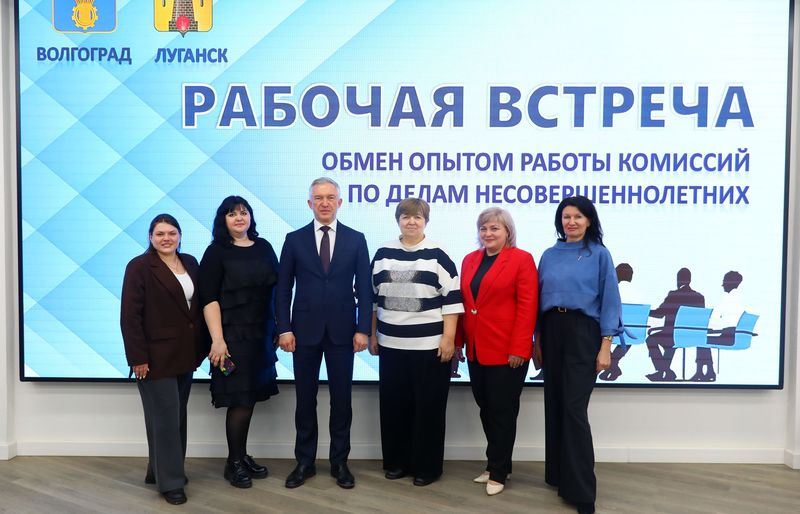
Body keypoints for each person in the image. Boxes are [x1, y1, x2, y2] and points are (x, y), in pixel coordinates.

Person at [276, 177, 372, 489]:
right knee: (305, 400)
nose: (325, 203)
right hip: (303, 333)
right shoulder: (294, 240)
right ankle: (304, 462)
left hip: (344, 333)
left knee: (342, 400)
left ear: (340, 202)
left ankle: (339, 462)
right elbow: (282, 289)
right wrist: (284, 328)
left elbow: (365, 290)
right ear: (310, 203)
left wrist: (363, 330)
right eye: (319, 198)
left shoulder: (356, 239)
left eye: (330, 197)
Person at [536, 195, 623, 514]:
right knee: (555, 404)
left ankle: (583, 492)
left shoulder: (599, 254)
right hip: (551, 330)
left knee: (574, 409)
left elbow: (611, 301)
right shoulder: (549, 255)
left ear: (589, 221)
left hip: (583, 332)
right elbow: (538, 298)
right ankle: (559, 476)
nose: (571, 222)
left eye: (578, 217)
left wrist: (606, 345)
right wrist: (537, 340)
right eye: (566, 217)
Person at [369, 198, 463, 486]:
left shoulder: (438, 255)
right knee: (394, 408)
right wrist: (373, 335)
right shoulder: (382, 254)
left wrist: (449, 339)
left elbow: (452, 301)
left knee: (428, 410)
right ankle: (397, 463)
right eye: (406, 216)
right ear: (398, 220)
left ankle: (426, 468)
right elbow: (372, 300)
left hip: (429, 348)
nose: (411, 221)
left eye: (417, 217)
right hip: (391, 347)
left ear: (426, 221)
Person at [121, 214, 208, 505]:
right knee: (166, 418)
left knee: (174, 416)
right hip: (154, 358)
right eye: (160, 234)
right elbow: (129, 317)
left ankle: (159, 470)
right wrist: (137, 358)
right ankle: (171, 482)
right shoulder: (139, 266)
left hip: (185, 353)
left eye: (171, 233)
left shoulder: (190, 262)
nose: (166, 238)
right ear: (150, 237)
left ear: (180, 235)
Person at [199, 196, 280, 488]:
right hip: (231, 338)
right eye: (232, 214)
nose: (239, 218)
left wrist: (279, 327)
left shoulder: (264, 247)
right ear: (223, 219)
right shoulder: (216, 252)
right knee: (239, 399)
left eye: (244, 212)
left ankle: (241, 456)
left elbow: (278, 290)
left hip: (261, 336)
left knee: (251, 396)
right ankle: (233, 462)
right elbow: (208, 299)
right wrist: (217, 340)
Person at [457, 207, 537, 496]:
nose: (488, 233)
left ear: (507, 231)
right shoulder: (470, 259)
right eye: (484, 228)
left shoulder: (521, 259)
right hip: (477, 348)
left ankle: (499, 472)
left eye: (494, 228)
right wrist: (459, 342)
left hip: (507, 351)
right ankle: (496, 464)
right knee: (486, 408)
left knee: (502, 412)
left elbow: (528, 307)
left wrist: (520, 347)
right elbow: (465, 305)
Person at [645, 268, 705, 382]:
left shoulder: (673, 295)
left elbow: (659, 314)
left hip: (672, 336)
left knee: (651, 340)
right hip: (692, 337)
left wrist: (644, 312)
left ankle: (663, 371)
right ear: (689, 280)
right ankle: (665, 372)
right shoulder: (699, 297)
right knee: (669, 339)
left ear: (678, 280)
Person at [692, 270, 745, 381]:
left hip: (729, 336)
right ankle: (709, 371)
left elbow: (723, 319)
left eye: (724, 282)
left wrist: (711, 328)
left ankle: (702, 372)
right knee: (703, 340)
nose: (722, 285)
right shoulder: (739, 298)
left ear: (730, 283)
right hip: (735, 335)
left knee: (700, 340)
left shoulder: (729, 299)